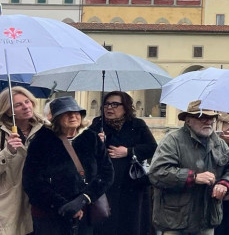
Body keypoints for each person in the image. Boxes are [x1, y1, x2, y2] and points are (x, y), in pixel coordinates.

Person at [23, 96, 114, 235]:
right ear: (56, 118)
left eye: (76, 112)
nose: (72, 115)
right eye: (66, 113)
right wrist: (62, 205)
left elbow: (107, 173)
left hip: (85, 212)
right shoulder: (42, 141)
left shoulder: (91, 138)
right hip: (51, 215)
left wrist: (83, 199)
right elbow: (32, 181)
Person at [149, 100, 229, 235]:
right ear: (188, 120)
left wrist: (225, 184)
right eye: (202, 117)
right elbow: (157, 173)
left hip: (207, 218)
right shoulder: (172, 140)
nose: (208, 122)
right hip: (175, 221)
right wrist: (193, 177)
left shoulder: (219, 143)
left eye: (211, 118)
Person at [91, 91, 157, 235]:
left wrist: (129, 151)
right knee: (106, 226)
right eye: (107, 104)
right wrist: (96, 141)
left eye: (115, 104)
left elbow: (152, 148)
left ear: (126, 107)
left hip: (132, 185)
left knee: (131, 225)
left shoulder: (137, 125)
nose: (109, 108)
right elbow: (85, 153)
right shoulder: (97, 124)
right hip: (107, 187)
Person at [0, 86, 48, 235]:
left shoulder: (46, 129)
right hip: (10, 202)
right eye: (18, 105)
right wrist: (8, 152)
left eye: (27, 102)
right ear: (8, 110)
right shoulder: (2, 133)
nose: (26, 107)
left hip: (41, 200)